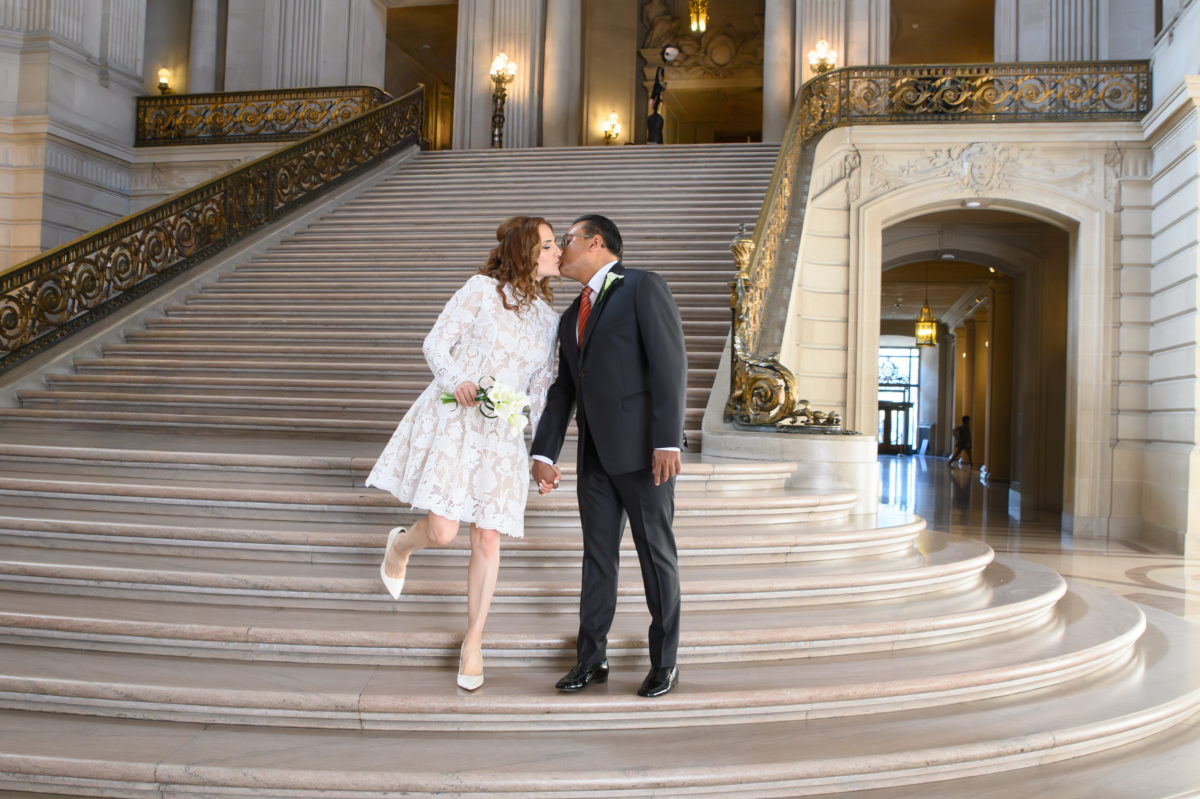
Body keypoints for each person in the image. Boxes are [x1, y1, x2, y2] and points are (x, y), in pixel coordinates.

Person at [367, 216, 561, 691]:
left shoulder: (551, 321)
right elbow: (435, 343)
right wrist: (459, 380)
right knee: (441, 530)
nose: (560, 252)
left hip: (501, 437)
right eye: (551, 245)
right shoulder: (480, 290)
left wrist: (542, 453)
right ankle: (401, 544)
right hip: (458, 419)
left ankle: (473, 640)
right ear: (526, 252)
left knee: (487, 539)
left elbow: (540, 392)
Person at [531, 214, 687, 698]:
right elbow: (564, 389)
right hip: (595, 455)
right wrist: (544, 450)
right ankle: (591, 658)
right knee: (597, 558)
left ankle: (665, 662)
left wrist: (667, 440)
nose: (560, 250)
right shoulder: (568, 315)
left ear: (595, 243)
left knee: (655, 555)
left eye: (567, 240)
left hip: (645, 454)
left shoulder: (642, 286)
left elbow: (670, 361)